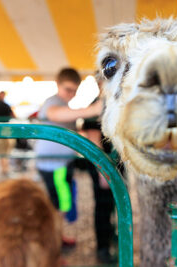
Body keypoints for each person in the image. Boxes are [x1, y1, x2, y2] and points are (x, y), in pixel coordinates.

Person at [34, 68, 102, 248]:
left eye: (74, 90)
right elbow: (54, 114)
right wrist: (93, 109)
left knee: (60, 204)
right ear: (58, 85)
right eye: (67, 89)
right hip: (54, 166)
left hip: (59, 164)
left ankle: (56, 238)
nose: (71, 94)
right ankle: (54, 242)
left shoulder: (64, 105)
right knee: (61, 205)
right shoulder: (53, 102)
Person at [74, 74, 122, 264]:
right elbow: (94, 138)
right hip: (103, 164)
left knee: (112, 202)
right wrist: (104, 170)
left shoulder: (115, 103)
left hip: (115, 162)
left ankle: (110, 234)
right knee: (102, 205)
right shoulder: (98, 106)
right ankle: (102, 246)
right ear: (99, 83)